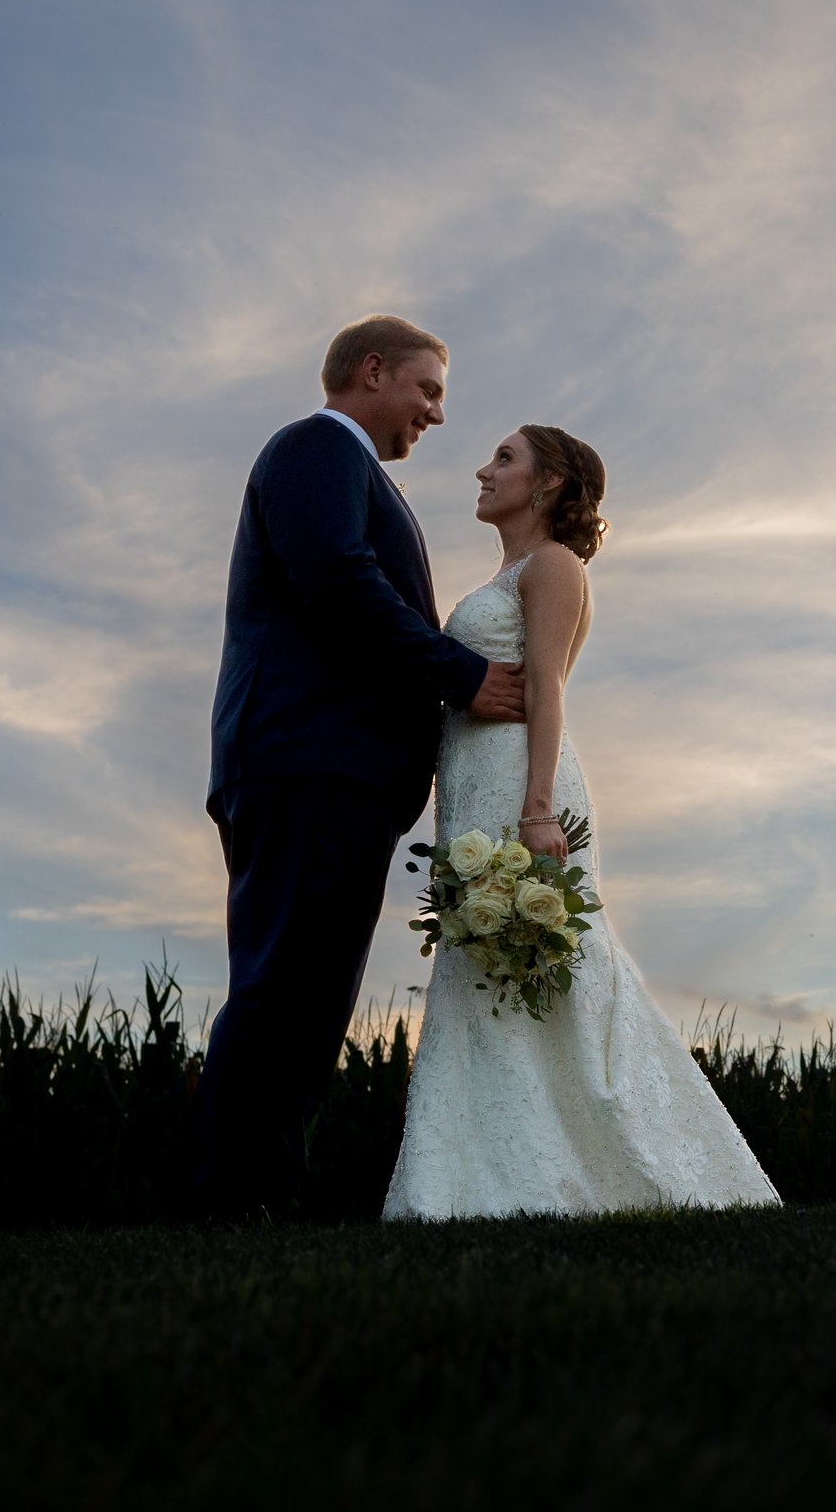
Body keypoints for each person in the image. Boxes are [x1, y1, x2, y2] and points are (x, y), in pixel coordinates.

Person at [383, 423, 778, 1218]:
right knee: (481, 967)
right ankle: (470, 1181)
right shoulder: (503, 573)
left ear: (551, 482)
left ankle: (643, 1164)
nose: (483, 471)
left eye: (505, 459)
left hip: (521, 786)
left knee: (562, 970)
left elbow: (548, 690)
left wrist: (537, 808)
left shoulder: (553, 566)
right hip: (470, 785)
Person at [195, 314, 526, 1217]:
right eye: (427, 391)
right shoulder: (317, 448)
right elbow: (338, 578)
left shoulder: (351, 469)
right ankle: (230, 1201)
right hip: (307, 761)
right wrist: (463, 677)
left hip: (331, 771)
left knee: (307, 997)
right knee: (283, 987)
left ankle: (261, 1192)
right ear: (371, 370)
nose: (436, 415)